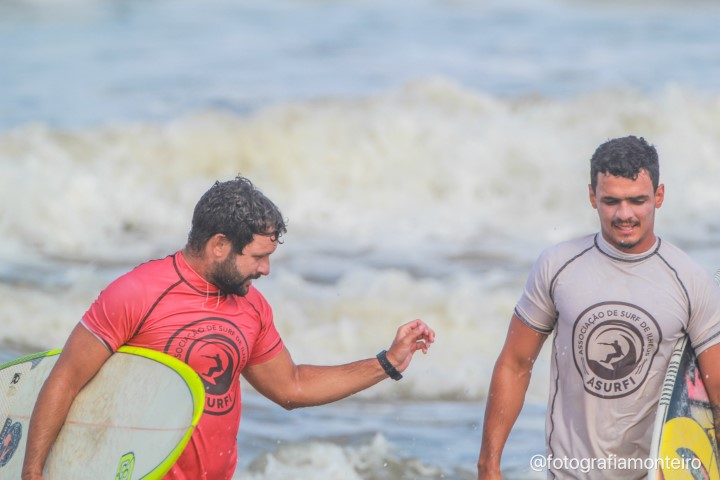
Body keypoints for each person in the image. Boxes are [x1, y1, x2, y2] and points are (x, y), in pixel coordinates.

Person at [21, 176, 435, 480]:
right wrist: (33, 473)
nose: (266, 270)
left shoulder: (251, 306)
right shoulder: (137, 294)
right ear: (219, 245)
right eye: (257, 256)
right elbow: (65, 381)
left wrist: (387, 362)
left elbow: (291, 387)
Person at [476, 136, 720, 479]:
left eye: (637, 201)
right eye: (611, 201)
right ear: (592, 196)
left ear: (659, 196)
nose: (625, 214)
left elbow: (714, 387)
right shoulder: (558, 266)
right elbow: (515, 364)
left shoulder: (690, 281)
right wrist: (489, 464)